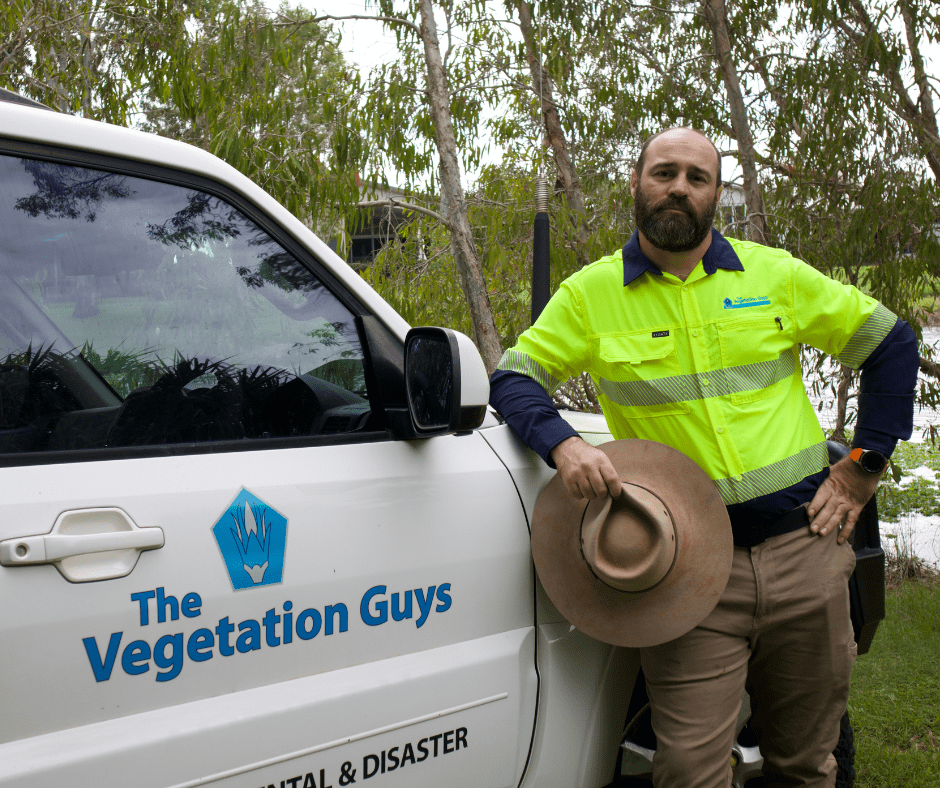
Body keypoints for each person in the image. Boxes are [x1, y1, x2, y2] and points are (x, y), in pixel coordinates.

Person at [489, 127, 920, 788]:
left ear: (717, 194)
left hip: (805, 551)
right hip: (687, 575)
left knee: (807, 764)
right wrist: (564, 443)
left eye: (697, 177)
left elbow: (890, 342)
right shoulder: (589, 295)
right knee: (689, 771)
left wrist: (863, 465)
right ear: (637, 183)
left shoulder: (772, 275)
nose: (680, 188)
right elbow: (514, 378)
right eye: (665, 172)